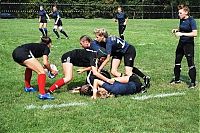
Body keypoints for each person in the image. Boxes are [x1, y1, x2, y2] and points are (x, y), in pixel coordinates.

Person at [47, 48, 114, 94]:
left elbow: (92, 68)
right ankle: (50, 90)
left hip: (71, 57)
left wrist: (83, 70)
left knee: (69, 78)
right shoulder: (93, 58)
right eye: (103, 59)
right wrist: (107, 80)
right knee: (68, 78)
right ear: (100, 56)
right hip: (68, 57)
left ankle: (84, 87)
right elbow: (95, 72)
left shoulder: (95, 56)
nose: (103, 61)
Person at [170, 5, 197, 89]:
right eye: (178, 13)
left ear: (186, 12)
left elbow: (194, 33)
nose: (179, 14)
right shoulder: (181, 20)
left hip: (188, 45)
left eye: (180, 13)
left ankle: (192, 83)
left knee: (190, 63)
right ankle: (177, 79)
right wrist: (177, 30)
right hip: (181, 43)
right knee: (177, 61)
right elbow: (182, 28)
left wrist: (182, 34)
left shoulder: (191, 20)